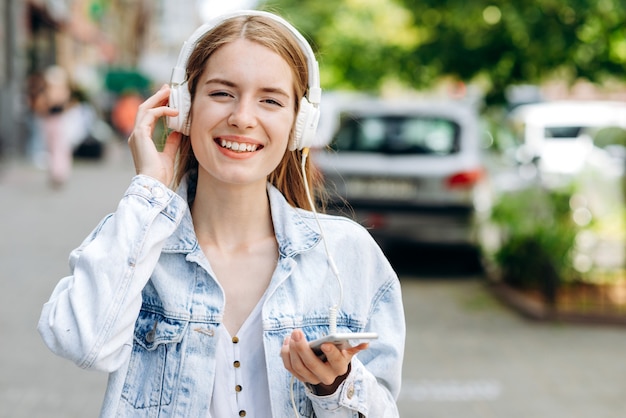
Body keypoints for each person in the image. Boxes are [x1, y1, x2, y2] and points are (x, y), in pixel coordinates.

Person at [38, 10, 405, 417]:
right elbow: (83, 344)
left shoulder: (345, 255)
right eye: (221, 93)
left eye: (270, 100)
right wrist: (148, 191)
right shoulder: (136, 240)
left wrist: (334, 387)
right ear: (184, 105)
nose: (242, 118)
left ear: (299, 124)